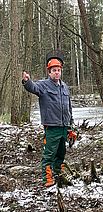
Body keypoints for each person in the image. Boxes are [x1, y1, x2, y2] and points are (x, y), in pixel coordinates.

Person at [22, 57, 73, 187]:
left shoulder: (64, 87)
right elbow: (32, 87)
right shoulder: (43, 85)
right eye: (54, 70)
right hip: (51, 126)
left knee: (61, 153)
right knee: (49, 154)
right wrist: (26, 81)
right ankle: (48, 179)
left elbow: (69, 107)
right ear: (49, 72)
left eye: (58, 70)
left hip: (64, 126)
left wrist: (70, 126)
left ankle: (58, 174)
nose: (56, 72)